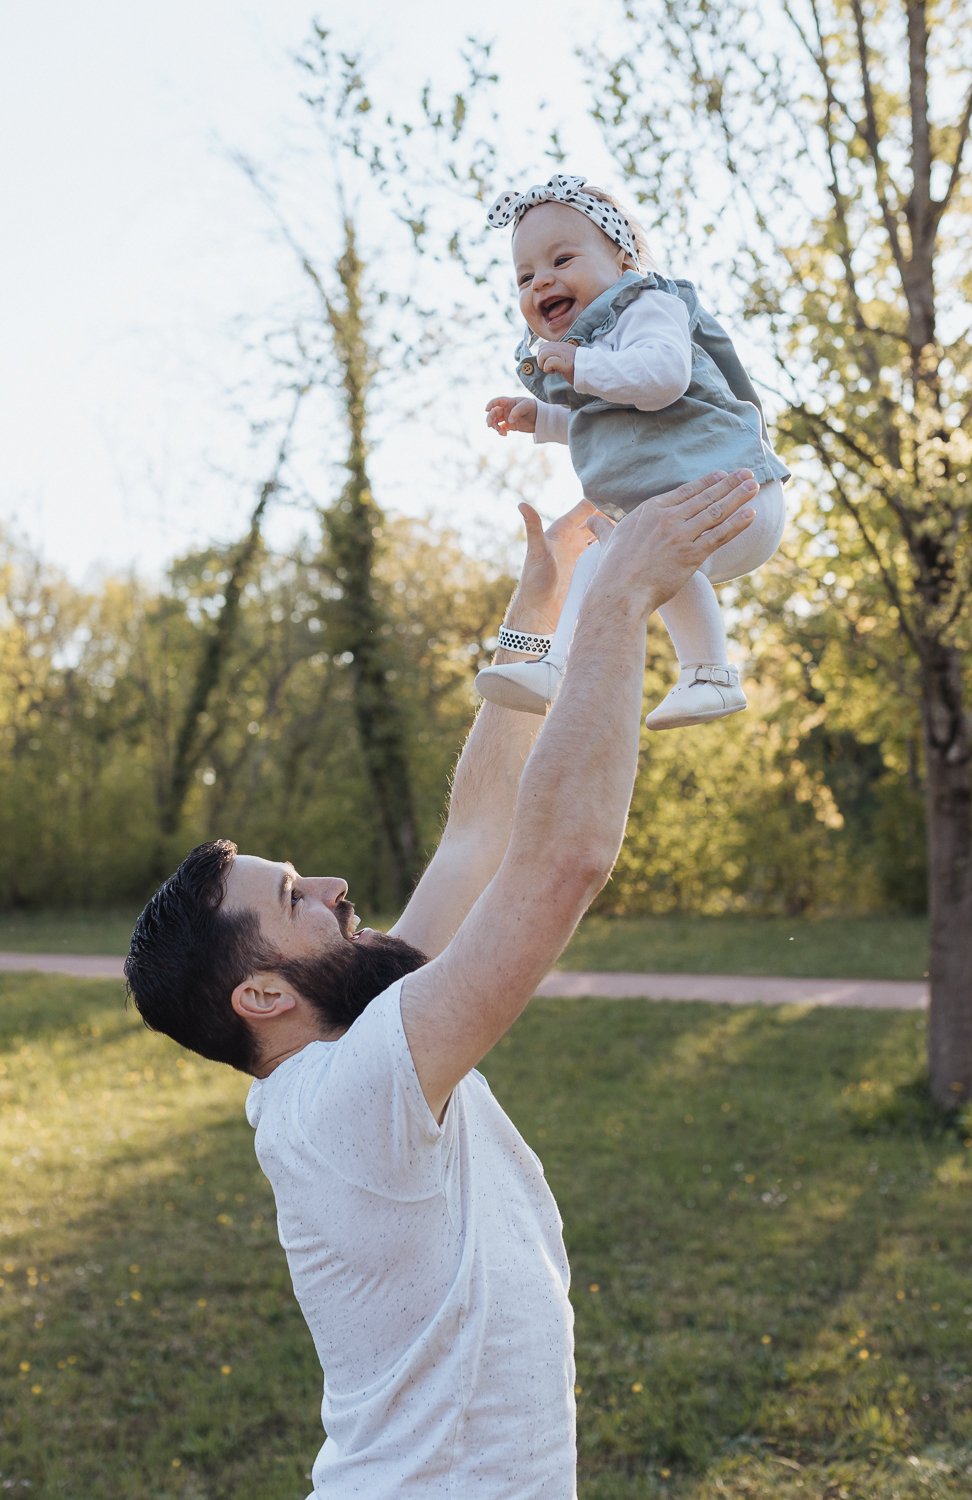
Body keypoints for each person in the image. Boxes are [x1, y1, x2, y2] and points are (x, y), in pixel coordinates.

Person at [125, 469, 759, 1500]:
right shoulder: (352, 1092)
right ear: (263, 996)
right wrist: (617, 602)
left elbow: (476, 832)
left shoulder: (352, 1045)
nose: (333, 886)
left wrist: (539, 603)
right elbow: (559, 861)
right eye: (293, 896)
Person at [478, 173, 790, 730]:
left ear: (621, 259)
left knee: (645, 544)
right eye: (525, 275)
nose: (541, 281)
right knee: (604, 557)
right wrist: (543, 419)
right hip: (689, 505)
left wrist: (584, 367)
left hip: (737, 491)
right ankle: (557, 666)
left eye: (562, 259)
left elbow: (663, 380)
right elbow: (612, 417)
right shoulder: (593, 350)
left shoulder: (647, 305)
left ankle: (710, 673)